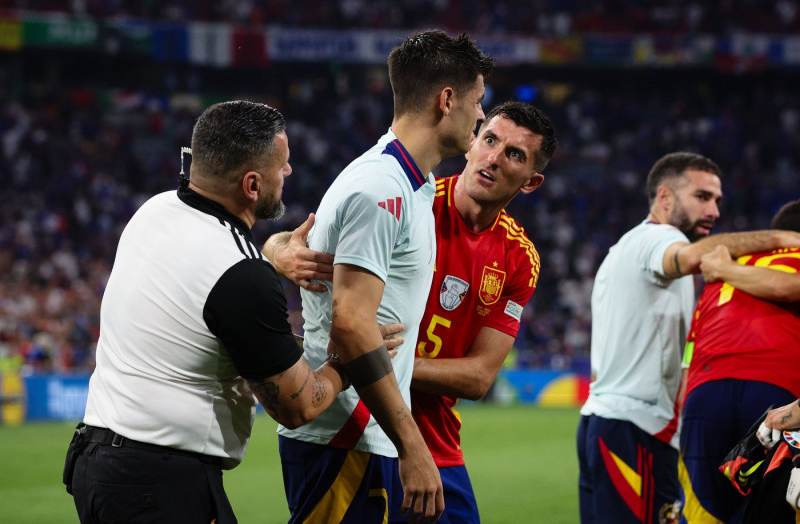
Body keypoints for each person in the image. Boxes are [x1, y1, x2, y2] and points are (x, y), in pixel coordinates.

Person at [64, 100, 359, 524]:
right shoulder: (240, 271)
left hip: (98, 465)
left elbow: (219, 328)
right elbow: (297, 406)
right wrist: (346, 360)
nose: (289, 172)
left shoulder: (153, 211)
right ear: (252, 185)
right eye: (284, 164)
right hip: (159, 485)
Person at [266, 100, 557, 523]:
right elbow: (302, 232)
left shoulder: (519, 258)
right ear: (472, 142)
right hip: (360, 424)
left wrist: (377, 358)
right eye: (490, 140)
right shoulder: (410, 196)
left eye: (514, 154)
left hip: (436, 442)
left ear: (530, 182)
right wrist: (277, 251)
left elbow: (479, 377)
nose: (494, 158)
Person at [273, 29, 494, 524]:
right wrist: (414, 445)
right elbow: (351, 325)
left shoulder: (414, 185)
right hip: (344, 437)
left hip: (364, 435)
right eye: (479, 101)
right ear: (447, 99)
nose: (482, 115)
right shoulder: (381, 188)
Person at [576, 152, 800, 524]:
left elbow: (687, 359)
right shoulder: (655, 239)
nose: (713, 210)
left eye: (717, 200)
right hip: (634, 426)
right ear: (665, 197)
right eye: (702, 197)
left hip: (625, 421)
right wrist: (780, 237)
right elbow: (691, 257)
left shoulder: (636, 254)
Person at [679, 198, 800, 523]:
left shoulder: (725, 269)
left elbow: (689, 355)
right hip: (777, 390)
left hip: (704, 392)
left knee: (704, 510)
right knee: (771, 509)